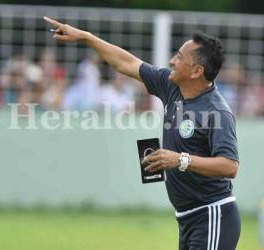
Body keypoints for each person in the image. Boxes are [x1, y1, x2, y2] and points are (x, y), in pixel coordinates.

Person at [44, 17, 241, 249]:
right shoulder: (172, 87)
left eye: (179, 57)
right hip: (188, 217)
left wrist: (180, 159)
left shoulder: (217, 111)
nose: (172, 60)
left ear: (197, 71)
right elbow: (126, 63)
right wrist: (86, 37)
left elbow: (230, 166)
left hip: (212, 216)